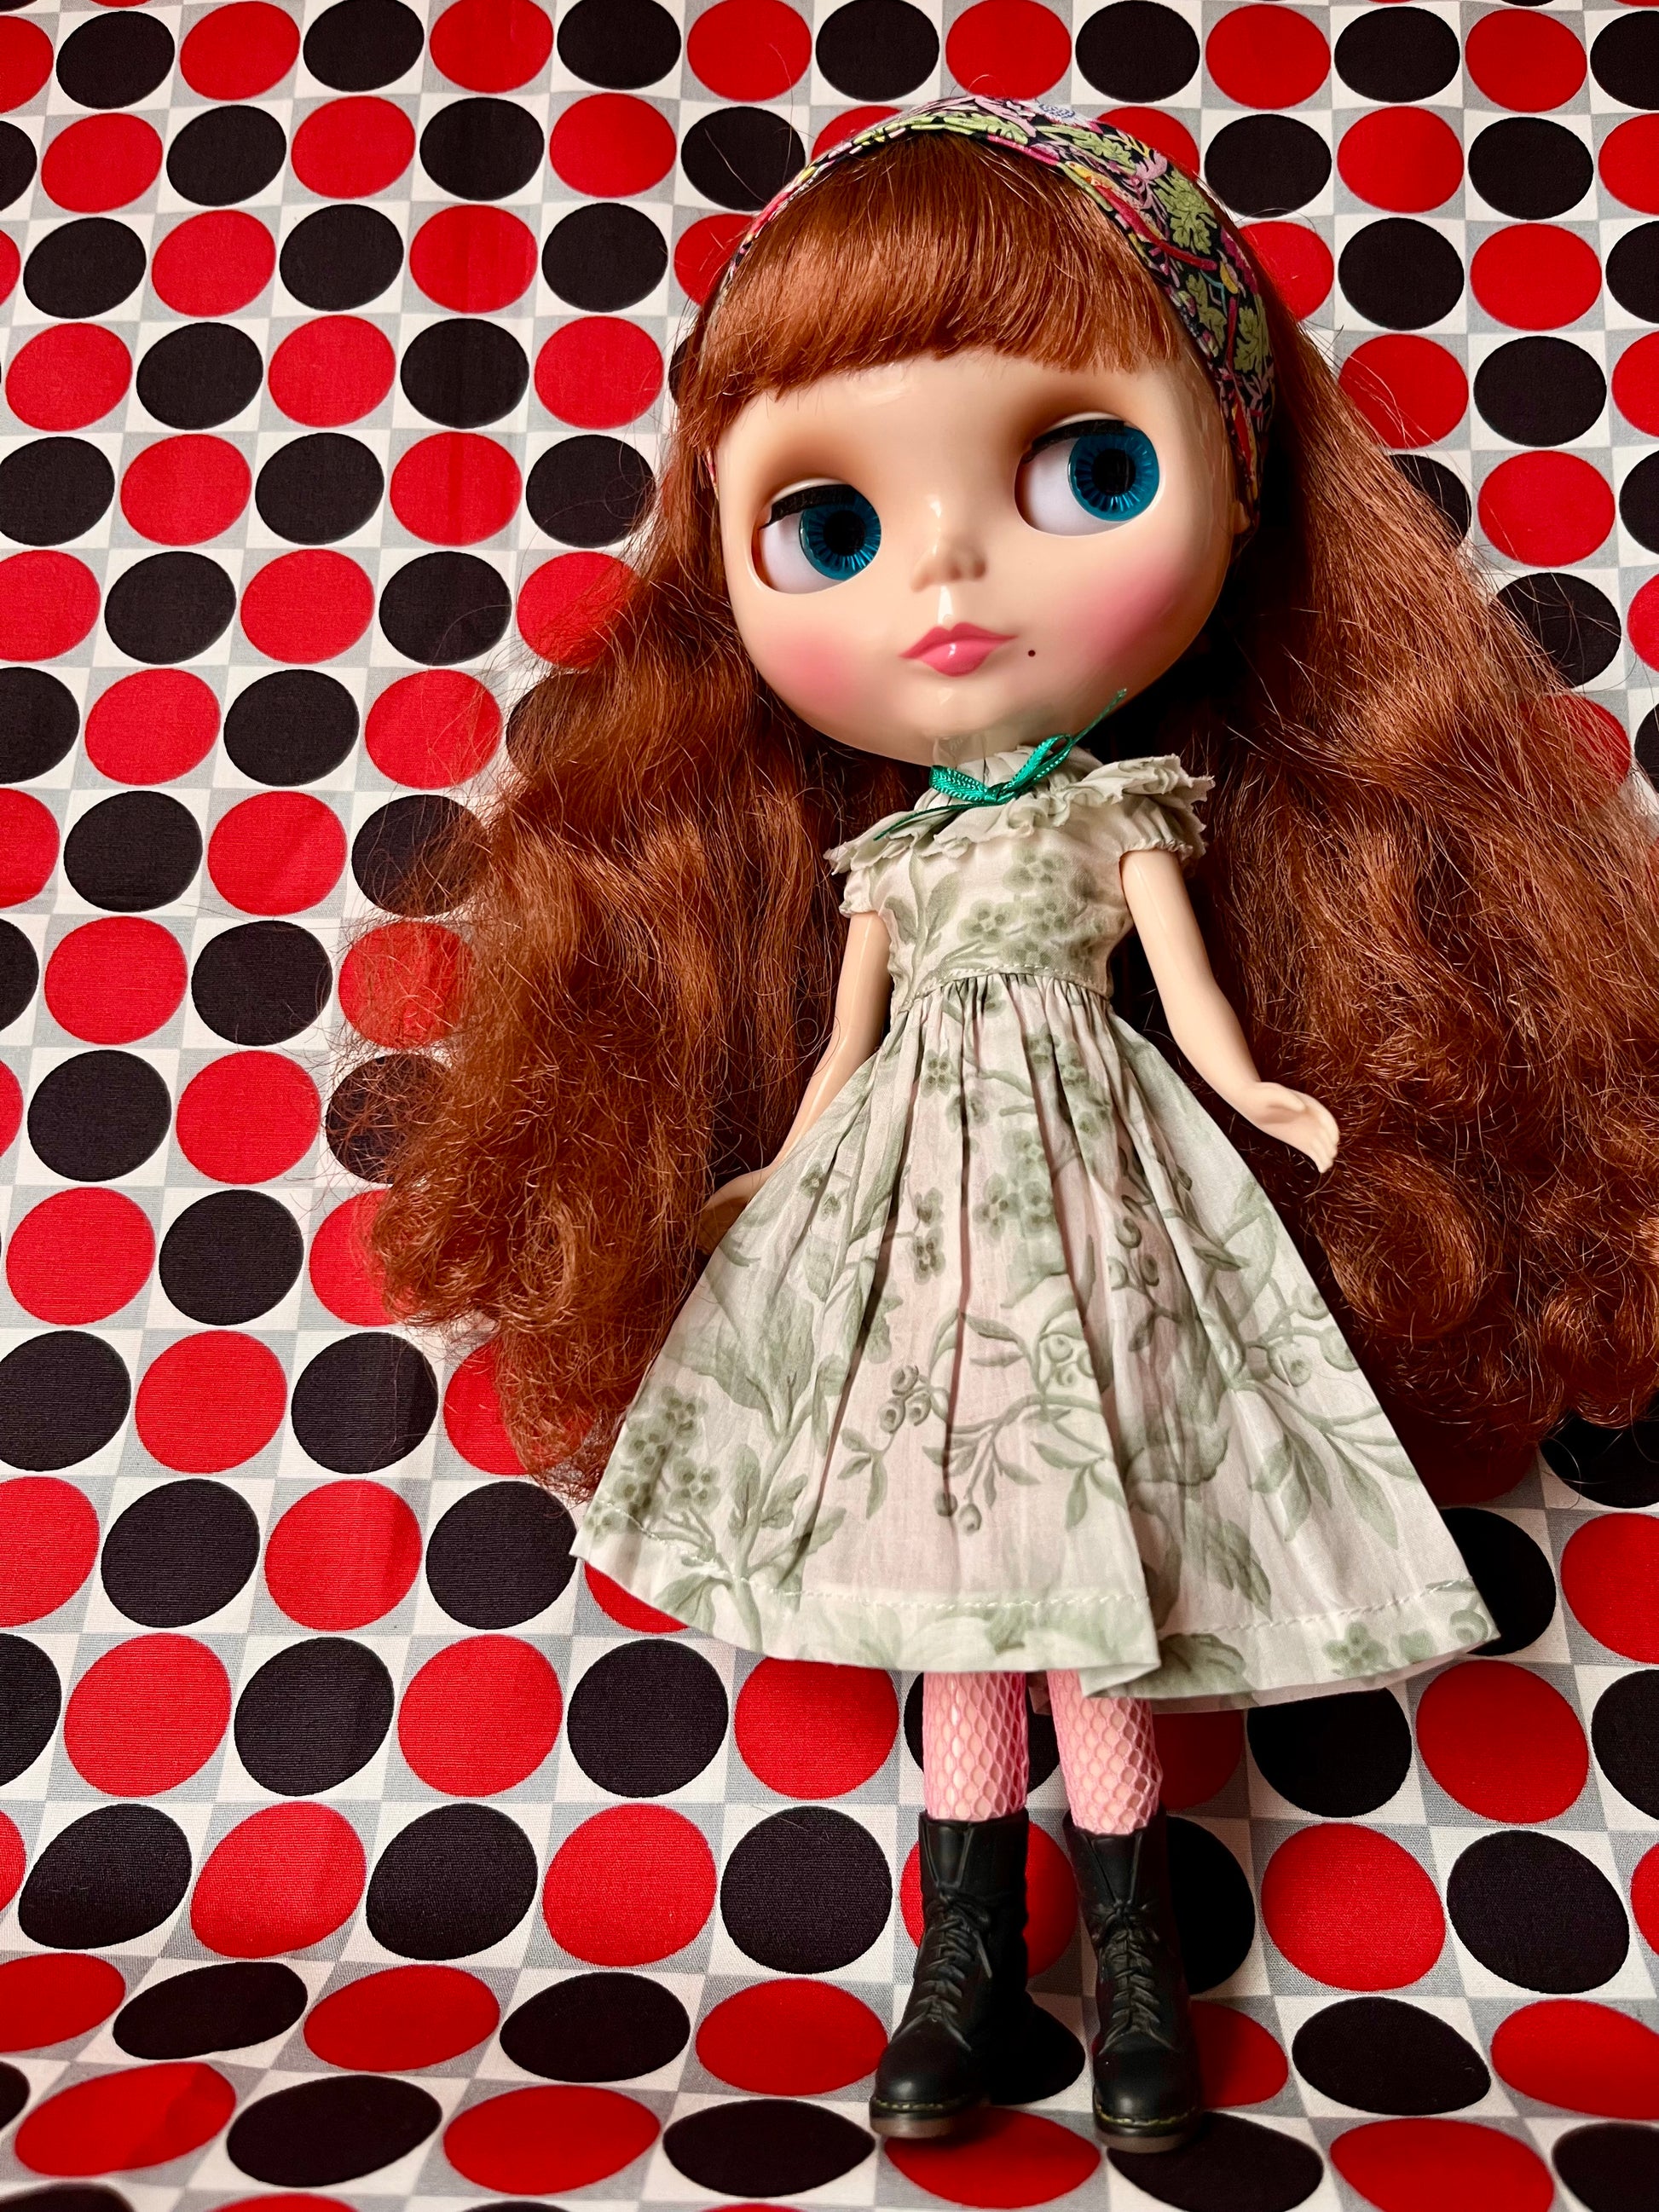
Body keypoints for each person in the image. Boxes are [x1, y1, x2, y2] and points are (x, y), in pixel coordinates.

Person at [372, 96, 1659, 2154]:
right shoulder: (885, 856)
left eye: (1086, 469)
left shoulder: (1118, 813)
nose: (950, 566)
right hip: (911, 1215)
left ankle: (1138, 1967)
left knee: (1093, 1586)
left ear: (1237, 486)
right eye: (831, 524)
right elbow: (841, 1048)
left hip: (1101, 1179)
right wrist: (779, 1169)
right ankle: (958, 1965)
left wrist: (1256, 1091)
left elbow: (1195, 997)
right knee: (958, 1601)